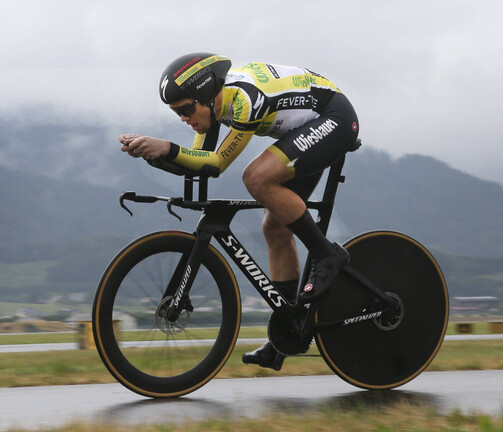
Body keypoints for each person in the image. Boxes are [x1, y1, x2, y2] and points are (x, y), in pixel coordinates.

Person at [119, 53, 359, 371]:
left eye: (186, 109)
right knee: (274, 228)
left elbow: (217, 164)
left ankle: (326, 254)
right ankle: (287, 332)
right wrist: (152, 153)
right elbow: (199, 161)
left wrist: (166, 147)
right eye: (177, 113)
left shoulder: (244, 99)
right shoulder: (215, 105)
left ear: (207, 96)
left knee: (256, 177)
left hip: (334, 118)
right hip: (305, 128)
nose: (183, 118)